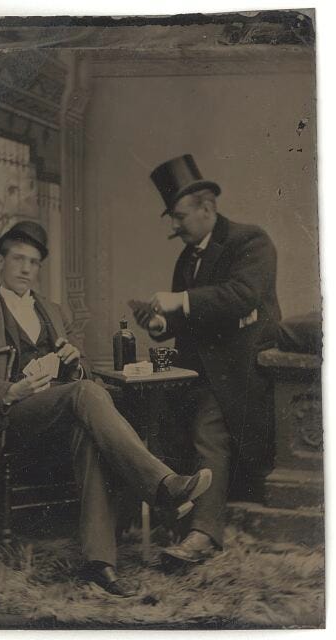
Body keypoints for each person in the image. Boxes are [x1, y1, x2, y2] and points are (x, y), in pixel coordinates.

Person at [0, 220, 212, 597]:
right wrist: (11, 389)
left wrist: (75, 363)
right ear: (1, 262)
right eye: (18, 259)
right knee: (84, 394)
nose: (26, 269)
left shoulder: (54, 311)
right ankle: (163, 485)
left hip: (57, 413)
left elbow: (81, 369)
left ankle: (99, 563)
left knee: (87, 431)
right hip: (11, 419)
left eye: (34, 262)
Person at [133, 154, 281, 566]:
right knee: (151, 413)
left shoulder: (251, 242)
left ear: (207, 208)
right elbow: (189, 321)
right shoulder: (187, 258)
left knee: (207, 429)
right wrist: (162, 325)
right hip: (197, 367)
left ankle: (203, 535)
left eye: (179, 216)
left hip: (240, 371)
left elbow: (242, 296)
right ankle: (169, 517)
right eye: (171, 217)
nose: (174, 225)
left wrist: (179, 300)